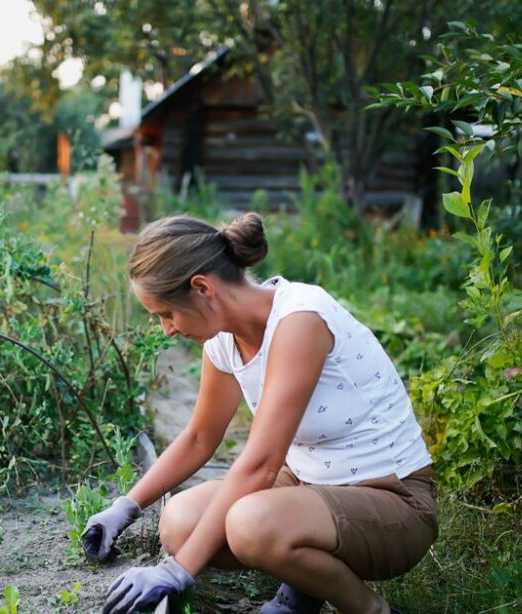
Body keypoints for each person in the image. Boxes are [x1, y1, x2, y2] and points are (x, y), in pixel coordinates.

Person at [85, 213, 437, 614]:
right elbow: (200, 437)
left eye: (167, 313)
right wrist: (125, 508)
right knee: (180, 522)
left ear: (202, 288)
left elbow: (262, 465)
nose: (166, 329)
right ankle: (303, 588)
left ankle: (371, 610)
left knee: (249, 524)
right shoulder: (223, 341)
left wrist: (177, 571)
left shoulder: (301, 319)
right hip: (307, 486)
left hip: (392, 501)